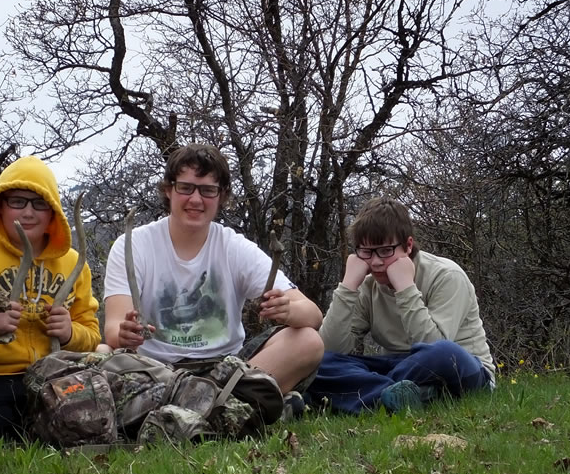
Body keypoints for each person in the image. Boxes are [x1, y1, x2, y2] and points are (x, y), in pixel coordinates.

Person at [102, 143, 324, 398]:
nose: (196, 199)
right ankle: (233, 407)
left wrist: (289, 310)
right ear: (168, 190)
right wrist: (125, 334)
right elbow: (113, 329)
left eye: (208, 191)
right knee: (102, 354)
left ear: (222, 196)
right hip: (154, 372)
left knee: (308, 341)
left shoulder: (234, 246)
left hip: (226, 369)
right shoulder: (133, 244)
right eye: (185, 188)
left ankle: (202, 404)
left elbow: (313, 316)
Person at [0, 157, 101, 441]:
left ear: (53, 212)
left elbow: (91, 334)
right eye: (18, 201)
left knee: (96, 417)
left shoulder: (75, 265)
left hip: (56, 375)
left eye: (40, 203)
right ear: (1, 206)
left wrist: (69, 333)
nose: (28, 212)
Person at [307, 195, 495, 414]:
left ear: (408, 245)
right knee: (317, 362)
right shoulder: (367, 286)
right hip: (398, 368)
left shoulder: (446, 275)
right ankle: (399, 396)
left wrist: (405, 288)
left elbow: (434, 344)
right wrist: (348, 287)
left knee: (443, 352)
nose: (376, 262)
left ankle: (368, 395)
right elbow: (330, 349)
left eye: (385, 251)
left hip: (463, 371)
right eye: (366, 252)